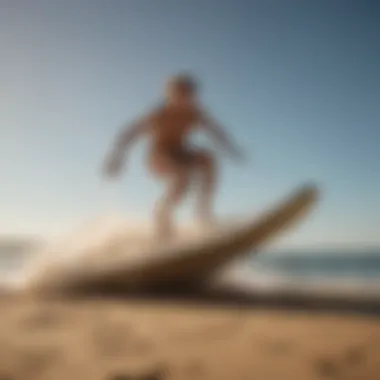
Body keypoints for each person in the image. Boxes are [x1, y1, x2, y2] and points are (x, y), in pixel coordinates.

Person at [103, 74, 245, 239]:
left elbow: (216, 132)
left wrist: (232, 149)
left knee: (208, 160)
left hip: (181, 154)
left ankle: (203, 214)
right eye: (180, 94)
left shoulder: (195, 114)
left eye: (189, 94)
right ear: (170, 95)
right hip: (158, 158)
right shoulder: (158, 115)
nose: (184, 99)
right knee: (182, 178)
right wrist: (117, 156)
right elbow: (129, 132)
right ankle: (162, 217)